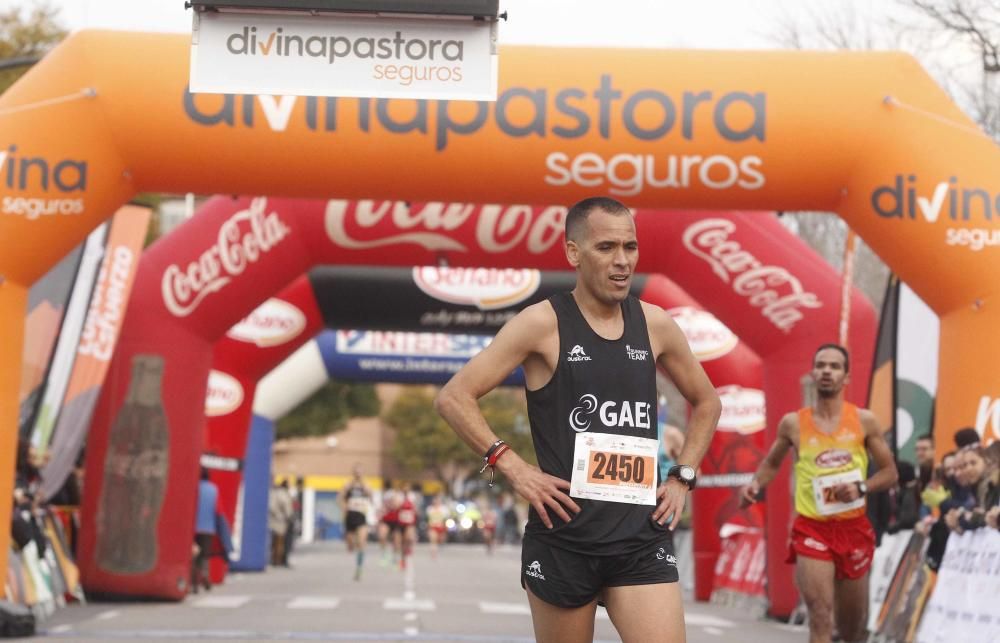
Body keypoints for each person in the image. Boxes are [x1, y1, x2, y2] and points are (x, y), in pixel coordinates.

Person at [436, 197, 721, 643]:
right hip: (564, 538)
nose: (622, 260)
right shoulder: (541, 325)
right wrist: (511, 465)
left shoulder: (656, 325)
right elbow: (454, 397)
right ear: (574, 253)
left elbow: (707, 402)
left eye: (630, 246)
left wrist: (683, 476)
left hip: (639, 539)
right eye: (606, 247)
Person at [739, 344, 898, 643]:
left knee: (854, 628)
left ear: (846, 376)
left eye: (834, 366)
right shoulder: (793, 423)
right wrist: (755, 484)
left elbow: (891, 474)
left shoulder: (864, 421)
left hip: (853, 529)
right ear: (813, 373)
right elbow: (771, 464)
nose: (827, 371)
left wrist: (861, 487)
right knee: (821, 616)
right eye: (821, 365)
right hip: (812, 528)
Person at [341, 466, 372, 581]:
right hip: (350, 516)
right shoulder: (348, 485)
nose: (358, 474)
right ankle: (351, 544)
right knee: (350, 546)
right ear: (353, 473)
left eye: (360, 472)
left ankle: (359, 568)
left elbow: (371, 496)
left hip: (361, 517)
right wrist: (343, 511)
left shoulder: (366, 485)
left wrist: (364, 485)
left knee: (361, 543)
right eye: (356, 472)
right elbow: (341, 498)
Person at [192, 468, 219, 593]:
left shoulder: (194, 489)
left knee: (193, 555)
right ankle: (205, 576)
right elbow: (217, 510)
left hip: (193, 528)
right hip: (208, 528)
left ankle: (194, 582)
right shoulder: (213, 490)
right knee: (204, 556)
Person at [268, 479, 294, 567]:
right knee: (280, 542)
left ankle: (277, 560)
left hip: (277, 521)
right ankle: (278, 560)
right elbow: (286, 507)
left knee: (277, 542)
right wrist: (285, 516)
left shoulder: (275, 493)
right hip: (280, 522)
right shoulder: (282, 494)